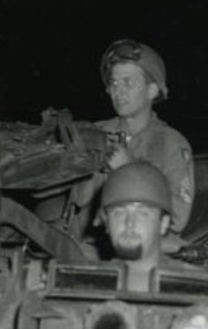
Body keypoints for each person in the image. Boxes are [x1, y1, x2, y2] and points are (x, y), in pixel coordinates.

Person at [82, 40, 194, 237]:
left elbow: (179, 218)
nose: (118, 91)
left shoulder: (172, 144)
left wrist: (129, 170)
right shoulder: (92, 134)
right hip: (87, 247)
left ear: (151, 90)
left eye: (128, 82)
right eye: (114, 83)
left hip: (143, 248)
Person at [99, 162, 176, 292]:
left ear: (163, 223)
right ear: (106, 223)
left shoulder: (194, 286)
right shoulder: (87, 283)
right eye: (119, 213)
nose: (129, 223)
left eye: (142, 213)